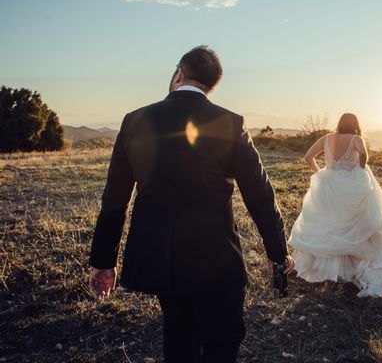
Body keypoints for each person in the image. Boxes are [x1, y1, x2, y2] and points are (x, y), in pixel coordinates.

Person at [88, 46, 295, 363]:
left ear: (179, 73)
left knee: (178, 334)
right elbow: (261, 196)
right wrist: (277, 254)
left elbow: (114, 198)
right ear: (211, 86)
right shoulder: (230, 123)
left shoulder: (135, 121)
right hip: (216, 258)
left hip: (159, 259)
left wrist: (104, 260)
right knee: (223, 340)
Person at [288, 113, 382, 297]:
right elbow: (364, 154)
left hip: (328, 185)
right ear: (355, 125)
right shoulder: (356, 138)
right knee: (356, 225)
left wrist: (321, 173)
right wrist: (359, 168)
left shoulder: (327, 138)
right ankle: (354, 268)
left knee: (329, 223)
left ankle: (329, 269)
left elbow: (308, 156)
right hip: (350, 184)